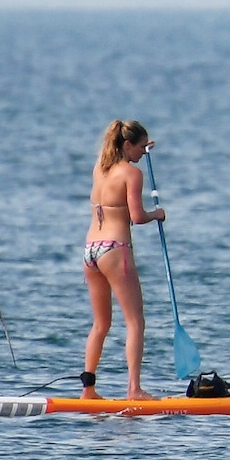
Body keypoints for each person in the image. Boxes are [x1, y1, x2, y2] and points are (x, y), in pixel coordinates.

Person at [82, 120, 165, 400]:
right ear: (128, 145)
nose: (143, 153)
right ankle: (134, 389)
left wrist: (145, 148)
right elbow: (138, 216)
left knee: (100, 324)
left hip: (91, 250)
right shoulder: (132, 174)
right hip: (116, 250)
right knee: (135, 322)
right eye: (141, 147)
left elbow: (120, 154)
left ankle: (88, 390)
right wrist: (158, 214)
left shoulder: (100, 168)